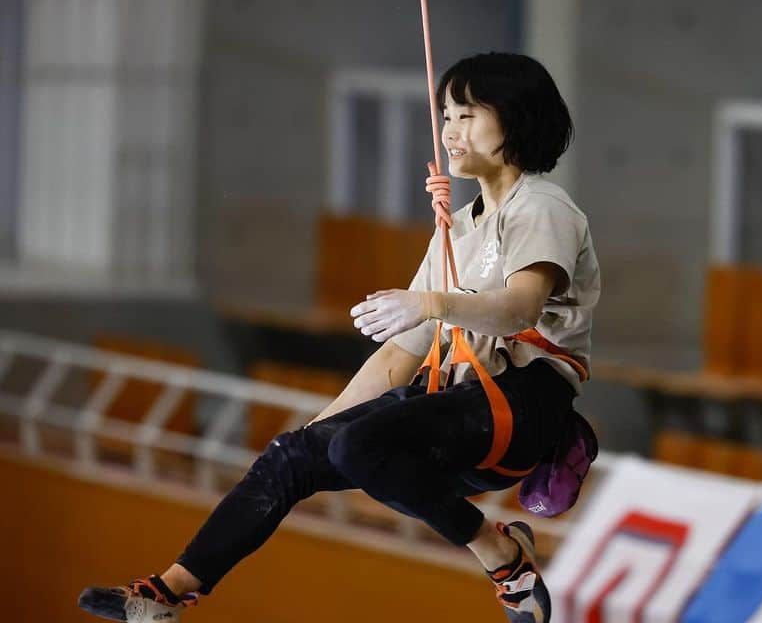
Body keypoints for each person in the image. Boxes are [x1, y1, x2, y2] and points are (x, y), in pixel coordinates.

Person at [78, 52, 600, 623]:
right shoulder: (460, 225)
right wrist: (320, 427)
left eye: (469, 114)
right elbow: (403, 353)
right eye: (447, 114)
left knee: (356, 446)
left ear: (518, 119)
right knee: (292, 453)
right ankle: (164, 596)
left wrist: (429, 302)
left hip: (522, 407)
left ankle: (505, 559)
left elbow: (516, 310)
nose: (451, 130)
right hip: (456, 404)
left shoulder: (544, 206)